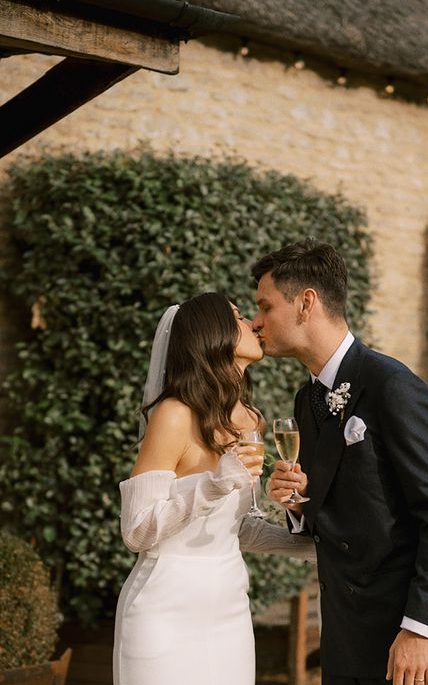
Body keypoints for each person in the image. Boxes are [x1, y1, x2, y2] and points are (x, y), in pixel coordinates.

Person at [251, 240, 428, 685]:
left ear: (306, 303)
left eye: (265, 307)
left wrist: (421, 629)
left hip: (407, 641)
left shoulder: (392, 387)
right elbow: (345, 512)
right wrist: (298, 502)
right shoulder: (306, 400)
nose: (256, 322)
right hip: (344, 636)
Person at [113, 292, 315, 685]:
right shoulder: (174, 415)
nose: (253, 324)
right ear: (213, 334)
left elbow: (235, 528)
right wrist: (214, 482)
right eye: (239, 317)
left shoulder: (251, 421)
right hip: (163, 610)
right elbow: (136, 530)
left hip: (229, 611)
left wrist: (317, 549)